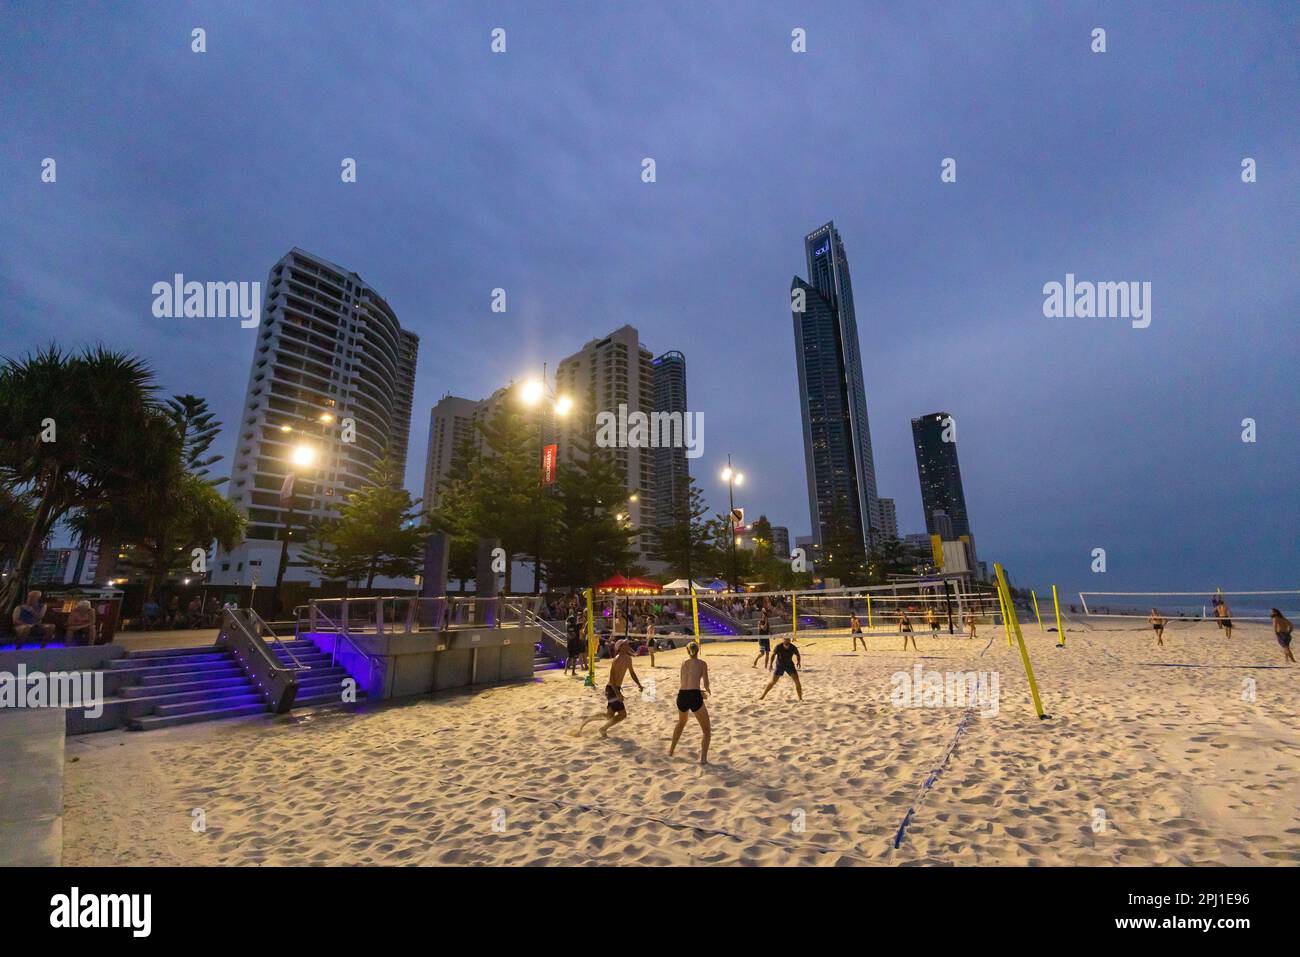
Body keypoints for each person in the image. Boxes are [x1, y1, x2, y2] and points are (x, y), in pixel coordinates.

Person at [578, 639, 643, 738]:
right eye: (625, 644)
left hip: (614, 689)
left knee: (609, 716)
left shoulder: (628, 659)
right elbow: (611, 678)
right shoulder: (616, 659)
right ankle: (603, 729)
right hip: (612, 689)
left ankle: (589, 719)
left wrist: (639, 684)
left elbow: (632, 673)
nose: (628, 645)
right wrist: (617, 693)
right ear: (620, 647)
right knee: (622, 714)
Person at [671, 641, 712, 764]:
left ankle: (671, 750)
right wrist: (705, 691)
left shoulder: (683, 663)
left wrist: (697, 691)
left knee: (681, 723)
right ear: (698, 650)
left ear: (687, 651)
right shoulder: (702, 663)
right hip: (694, 696)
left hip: (682, 696)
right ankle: (703, 759)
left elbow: (684, 682)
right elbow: (706, 683)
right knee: (706, 731)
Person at [759, 634, 803, 701]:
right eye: (785, 640)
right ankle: (763, 696)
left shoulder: (793, 647)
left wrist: (798, 662)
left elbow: (798, 655)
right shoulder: (778, 646)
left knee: (797, 681)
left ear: (790, 641)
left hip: (789, 665)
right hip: (780, 665)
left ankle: (800, 698)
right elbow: (773, 655)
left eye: (788, 640)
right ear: (783, 641)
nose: (786, 641)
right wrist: (770, 664)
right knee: (773, 681)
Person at [565, 611, 585, 676]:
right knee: (572, 658)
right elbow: (583, 623)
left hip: (573, 644)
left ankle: (569, 671)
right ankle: (569, 671)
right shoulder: (573, 626)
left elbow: (582, 623)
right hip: (573, 644)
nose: (575, 620)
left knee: (572, 657)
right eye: (574, 619)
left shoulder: (571, 626)